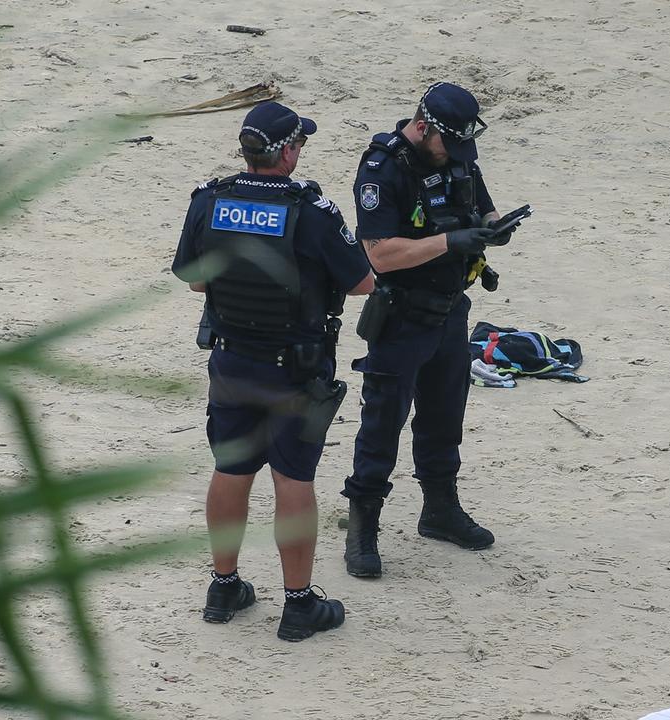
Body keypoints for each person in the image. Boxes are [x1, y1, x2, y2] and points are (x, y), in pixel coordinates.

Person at [171, 101, 374, 640]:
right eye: (300, 143)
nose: (301, 150)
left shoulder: (209, 200)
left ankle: (224, 585)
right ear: (286, 152)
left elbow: (194, 280)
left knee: (231, 470)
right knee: (292, 478)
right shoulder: (310, 209)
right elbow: (361, 282)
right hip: (295, 371)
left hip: (231, 360)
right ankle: (299, 603)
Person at [342, 82, 518, 578]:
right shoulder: (382, 168)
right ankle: (362, 529)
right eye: (448, 146)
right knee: (382, 423)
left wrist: (493, 227)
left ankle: (440, 511)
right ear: (422, 127)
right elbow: (379, 253)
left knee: (445, 416)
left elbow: (483, 205)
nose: (455, 157)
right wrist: (450, 240)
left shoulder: (457, 156)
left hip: (450, 311)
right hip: (401, 316)